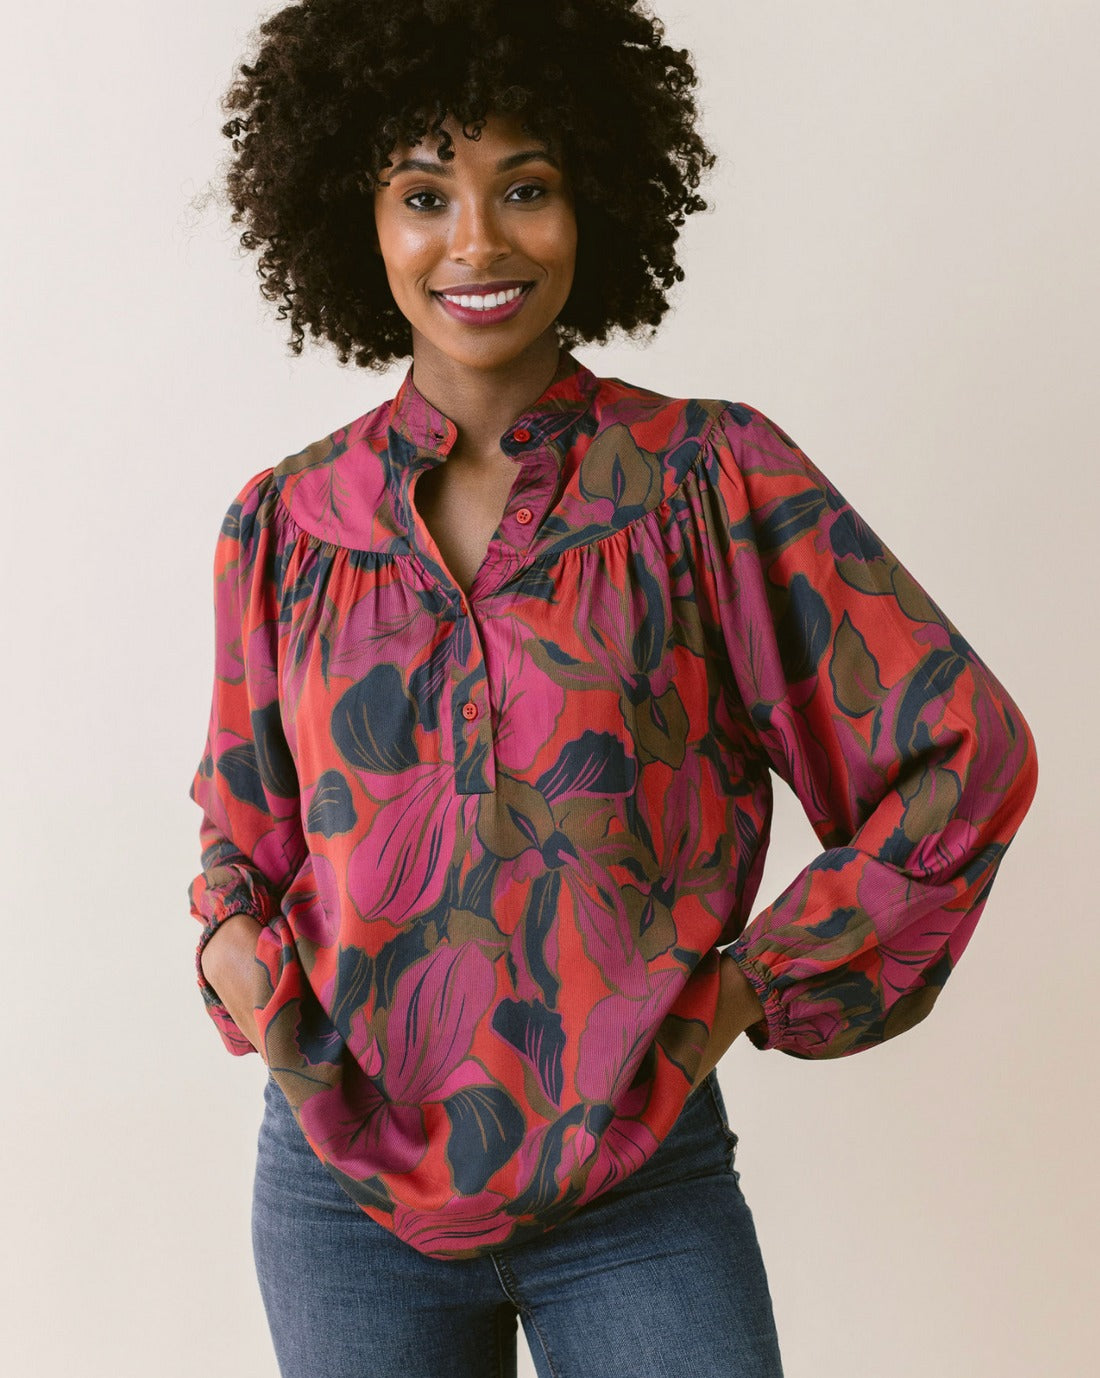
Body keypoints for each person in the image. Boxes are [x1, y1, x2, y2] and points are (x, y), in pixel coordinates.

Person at [188, 2, 1040, 1374]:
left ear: (595, 197)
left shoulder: (708, 480)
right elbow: (245, 824)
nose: (476, 241)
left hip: (636, 1179)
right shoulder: (283, 526)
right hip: (340, 1184)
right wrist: (247, 968)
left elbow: (961, 750)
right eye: (424, 195)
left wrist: (749, 985)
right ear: (360, 220)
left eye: (524, 185)